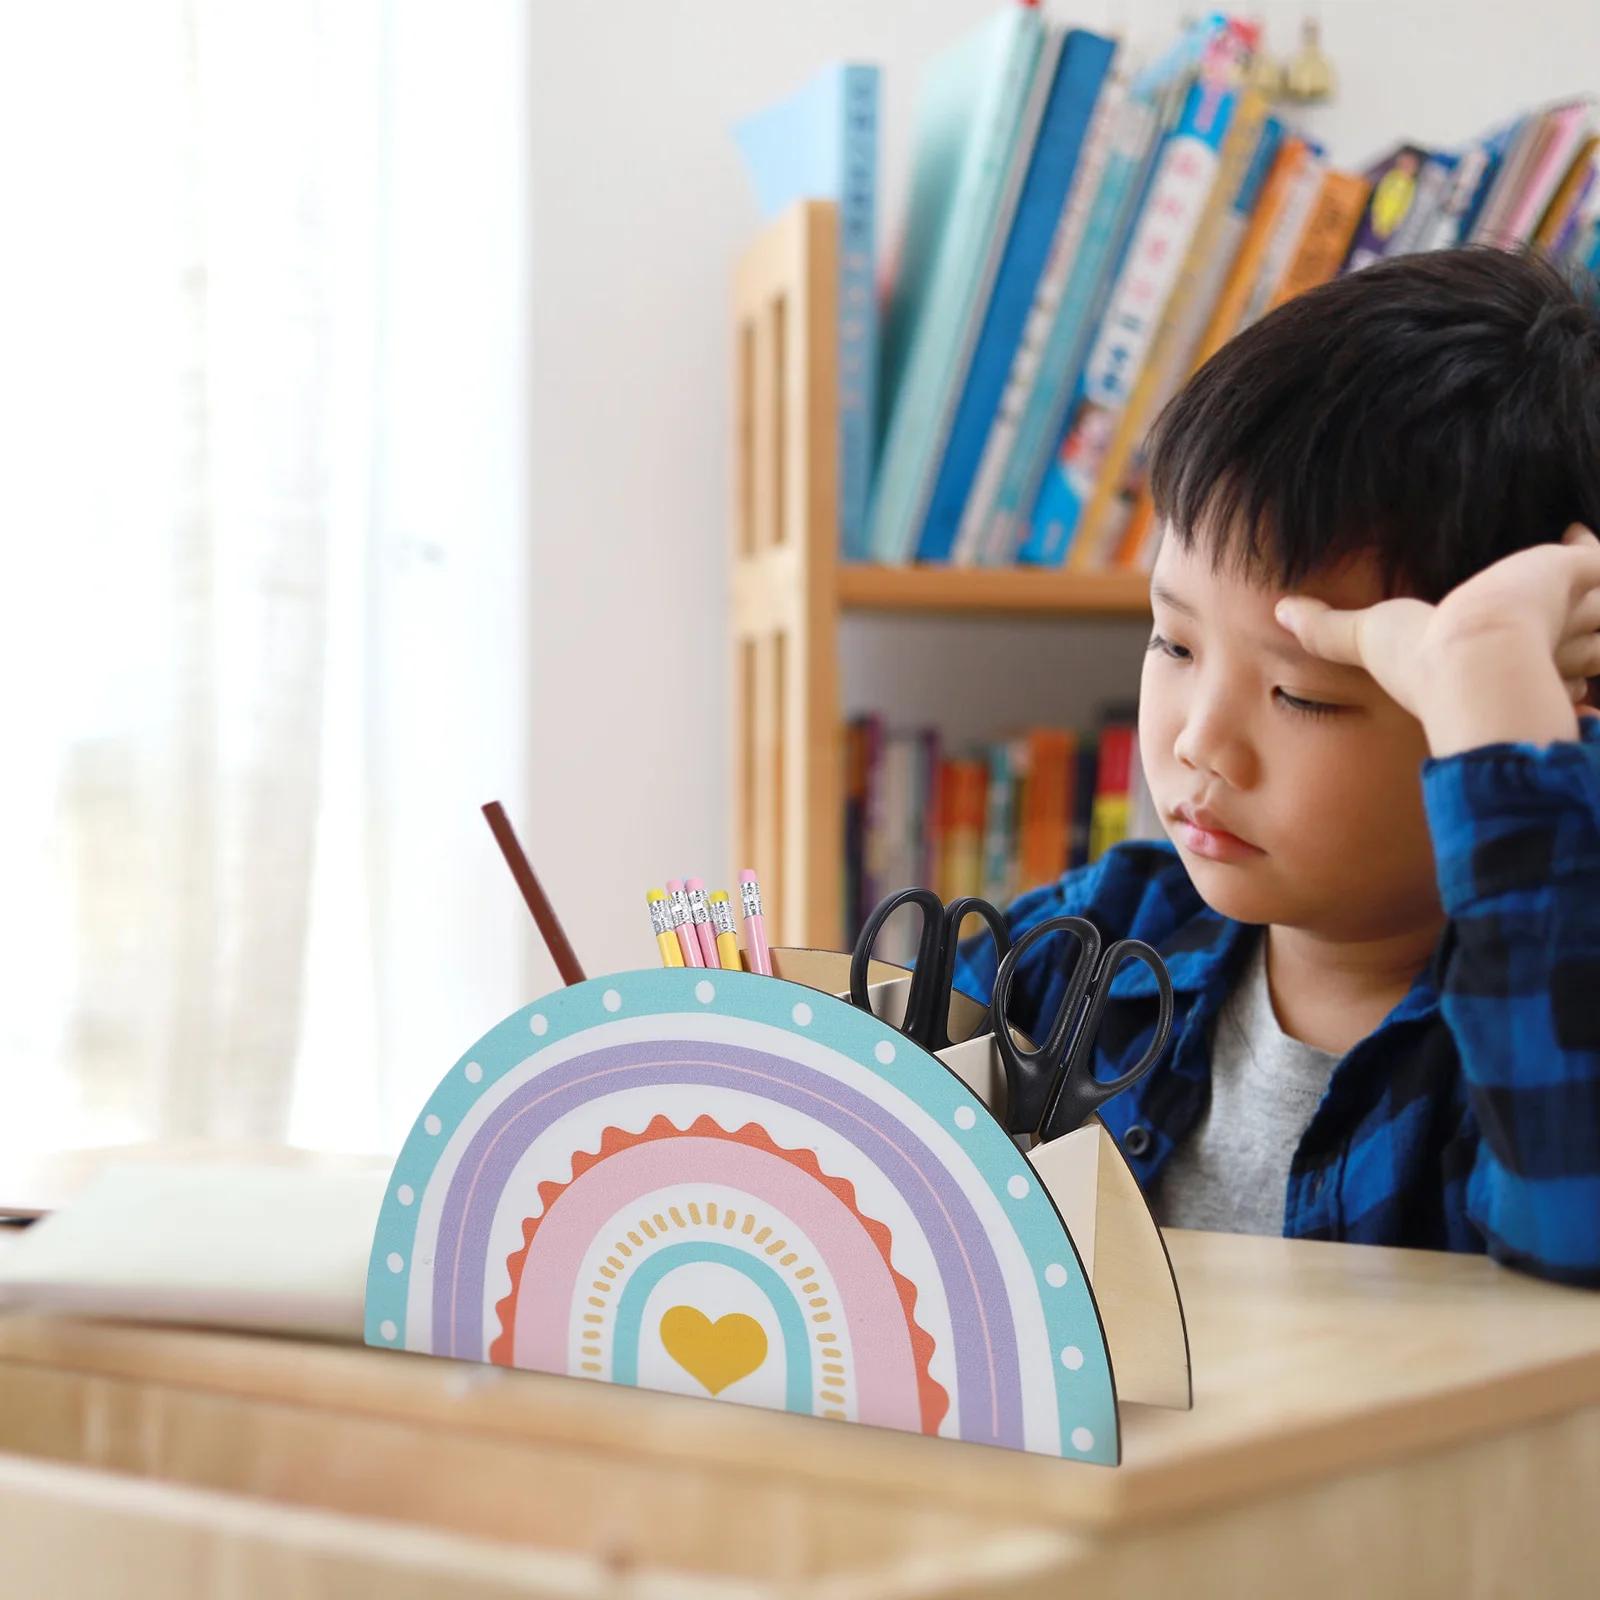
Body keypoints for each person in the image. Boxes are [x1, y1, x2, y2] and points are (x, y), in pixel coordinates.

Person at [954, 247, 1600, 1284]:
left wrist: (1489, 674)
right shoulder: (1099, 949)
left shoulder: (1543, 1026)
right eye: (1173, 642)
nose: (1197, 740)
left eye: (1305, 691)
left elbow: (1577, 1220)